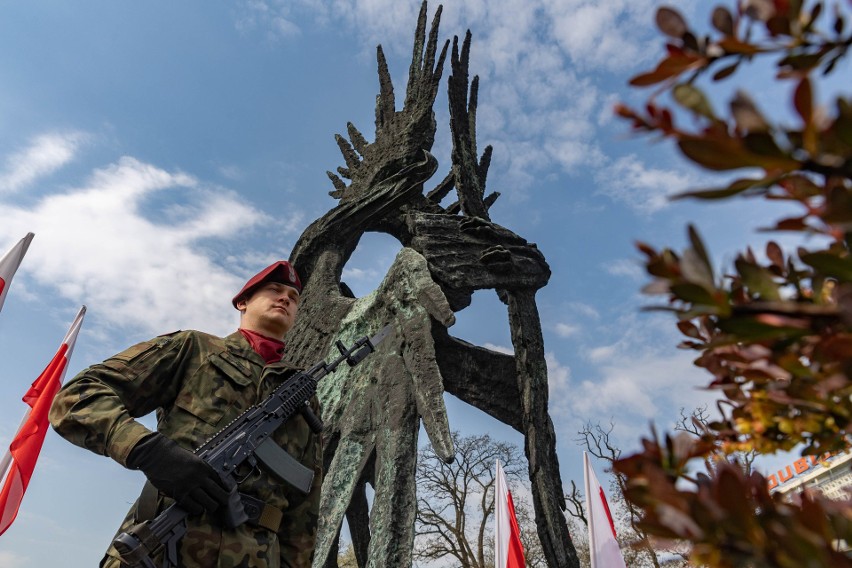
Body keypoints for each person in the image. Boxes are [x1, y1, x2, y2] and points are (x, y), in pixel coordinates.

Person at [49, 261, 322, 568]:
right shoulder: (195, 350)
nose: (285, 298)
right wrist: (147, 450)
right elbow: (77, 396)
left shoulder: (304, 400)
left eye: (293, 297)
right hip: (163, 546)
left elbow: (303, 511)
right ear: (242, 302)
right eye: (274, 289)